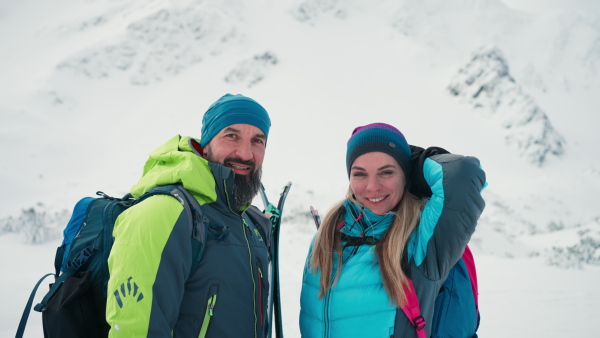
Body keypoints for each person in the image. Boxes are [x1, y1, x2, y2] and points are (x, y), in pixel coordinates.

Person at [105, 94, 274, 337]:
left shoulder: (246, 221)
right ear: (205, 146)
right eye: (231, 136)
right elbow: (136, 331)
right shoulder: (165, 211)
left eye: (257, 141)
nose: (246, 154)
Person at [299, 123, 486, 337]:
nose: (372, 186)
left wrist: (413, 162)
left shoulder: (421, 240)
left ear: (407, 176)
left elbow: (463, 173)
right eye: (360, 174)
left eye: (386, 172)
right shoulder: (326, 235)